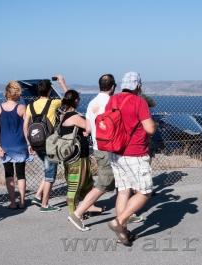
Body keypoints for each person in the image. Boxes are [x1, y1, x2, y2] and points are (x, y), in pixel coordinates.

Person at [107, 71, 157, 245]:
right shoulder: (139, 101)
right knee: (145, 192)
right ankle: (119, 222)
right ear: (138, 85)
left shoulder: (112, 100)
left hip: (114, 152)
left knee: (123, 190)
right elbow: (150, 129)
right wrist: (154, 124)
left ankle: (123, 234)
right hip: (134, 152)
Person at [67, 74, 117, 231]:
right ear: (113, 86)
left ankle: (125, 214)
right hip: (111, 147)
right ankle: (78, 213)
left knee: (121, 182)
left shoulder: (91, 103)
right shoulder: (112, 102)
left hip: (97, 146)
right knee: (104, 183)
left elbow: (88, 129)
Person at [23, 76, 68, 212]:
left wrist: (28, 143)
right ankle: (45, 204)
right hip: (50, 143)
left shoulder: (30, 105)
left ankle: (37, 196)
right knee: (50, 175)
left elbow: (26, 126)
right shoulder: (53, 103)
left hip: (36, 142)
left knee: (47, 168)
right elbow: (70, 99)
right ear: (49, 91)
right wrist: (62, 84)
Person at [0, 81, 34, 209]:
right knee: (21, 174)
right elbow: (25, 129)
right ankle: (22, 202)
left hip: (5, 145)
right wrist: (29, 144)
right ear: (17, 93)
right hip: (20, 144)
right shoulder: (22, 108)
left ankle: (12, 203)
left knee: (8, 174)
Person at [60, 90, 94, 213]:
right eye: (78, 99)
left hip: (76, 154)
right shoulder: (74, 116)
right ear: (75, 101)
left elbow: (83, 129)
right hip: (77, 156)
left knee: (86, 182)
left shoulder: (64, 114)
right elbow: (89, 127)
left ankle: (89, 206)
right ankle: (73, 211)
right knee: (75, 183)